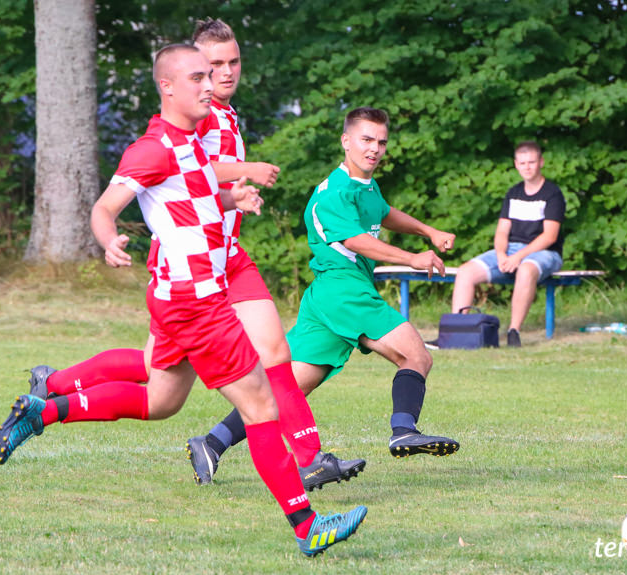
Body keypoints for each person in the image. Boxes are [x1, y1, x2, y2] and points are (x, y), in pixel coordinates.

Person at [0, 43, 366, 557]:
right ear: (167, 86)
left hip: (179, 297)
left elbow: (193, 198)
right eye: (197, 78)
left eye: (210, 77)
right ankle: (307, 527)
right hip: (196, 302)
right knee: (260, 407)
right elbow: (105, 207)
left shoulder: (192, 142)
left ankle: (43, 411)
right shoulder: (152, 148)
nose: (209, 85)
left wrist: (235, 197)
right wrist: (108, 241)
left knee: (160, 401)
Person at [185, 107, 460, 483]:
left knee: (288, 387)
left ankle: (212, 443)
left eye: (381, 142)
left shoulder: (364, 187)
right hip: (343, 289)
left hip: (326, 299)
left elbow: (383, 212)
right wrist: (412, 257)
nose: (374, 149)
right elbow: (355, 240)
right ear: (346, 141)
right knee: (416, 354)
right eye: (366, 140)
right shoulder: (333, 192)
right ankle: (403, 431)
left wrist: (427, 230)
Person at [450, 141, 565, 347]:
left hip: (544, 252)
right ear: (516, 164)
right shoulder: (513, 193)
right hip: (510, 250)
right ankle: (457, 333)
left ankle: (514, 332)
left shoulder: (552, 194)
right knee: (465, 272)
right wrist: (502, 255)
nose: (527, 167)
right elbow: (502, 231)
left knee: (526, 270)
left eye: (531, 162)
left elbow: (549, 236)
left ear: (541, 162)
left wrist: (518, 258)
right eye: (522, 163)